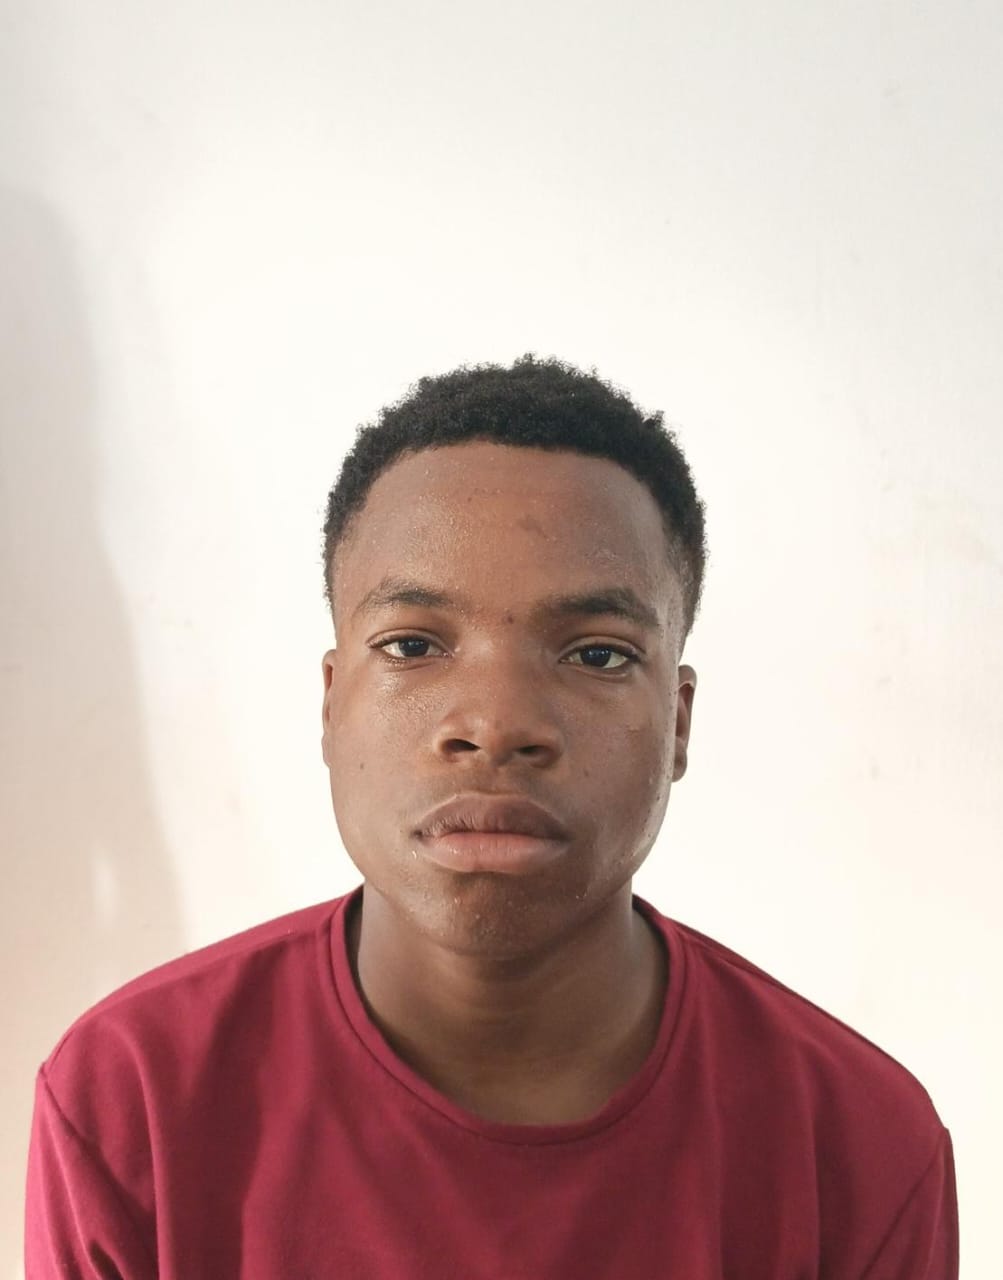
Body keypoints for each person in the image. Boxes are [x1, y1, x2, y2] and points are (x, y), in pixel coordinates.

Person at [25, 355, 958, 1277]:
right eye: (412, 645)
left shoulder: (858, 1146)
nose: (497, 724)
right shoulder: (133, 1100)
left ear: (677, 723)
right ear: (331, 701)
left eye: (596, 654)